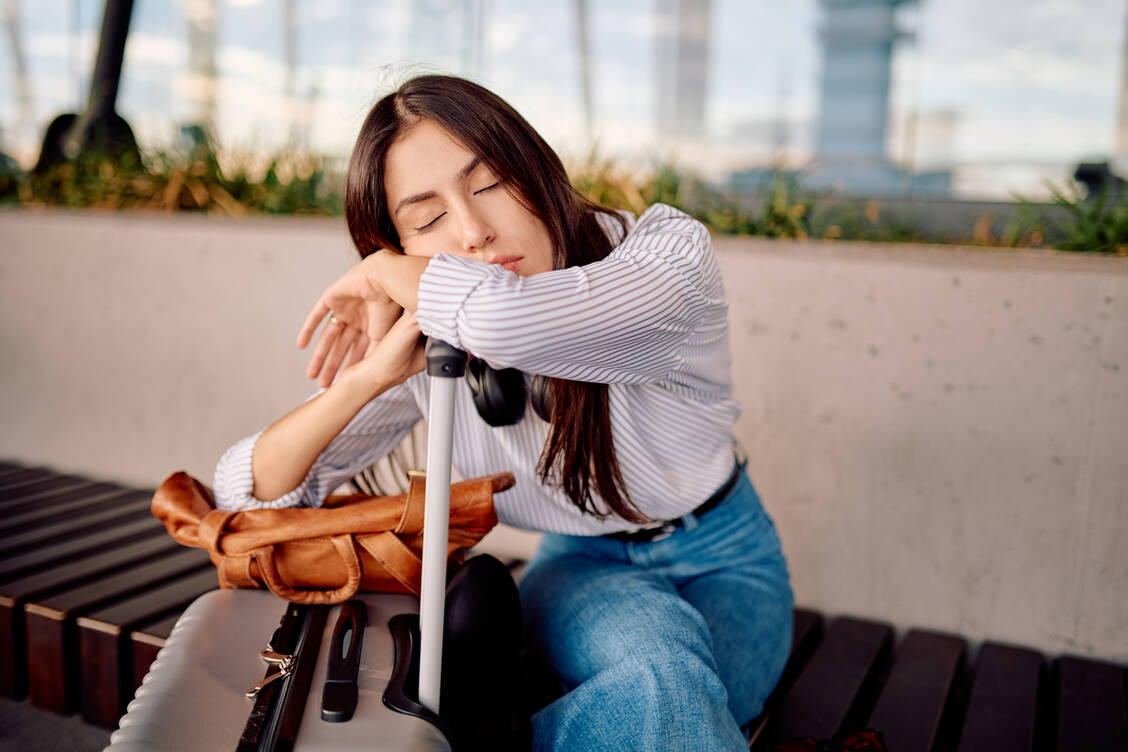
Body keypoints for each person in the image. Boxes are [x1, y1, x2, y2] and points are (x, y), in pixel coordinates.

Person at [213, 74, 793, 751]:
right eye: (427, 219)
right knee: (664, 683)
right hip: (586, 569)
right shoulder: (431, 337)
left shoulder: (668, 257)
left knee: (673, 709)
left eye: (489, 184)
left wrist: (381, 270)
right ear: (402, 244)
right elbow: (247, 490)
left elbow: (501, 316)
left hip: (729, 558)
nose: (475, 232)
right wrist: (365, 379)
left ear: (537, 166)